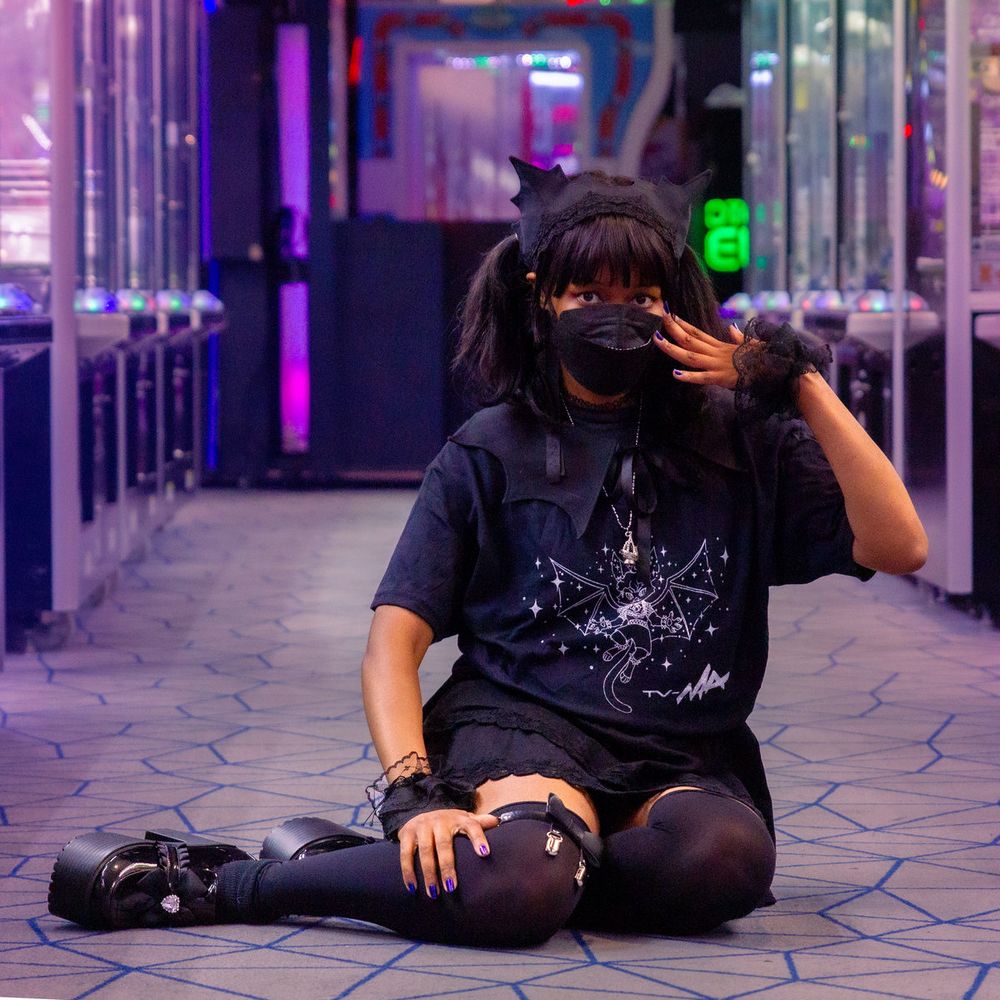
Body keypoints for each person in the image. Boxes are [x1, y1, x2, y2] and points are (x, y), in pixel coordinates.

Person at [48, 159, 927, 947]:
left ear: (675, 303)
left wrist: (797, 380)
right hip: (523, 726)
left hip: (681, 749)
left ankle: (460, 869)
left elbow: (899, 542)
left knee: (725, 865)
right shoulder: (490, 447)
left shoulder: (738, 441)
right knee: (525, 882)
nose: (617, 315)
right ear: (543, 298)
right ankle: (238, 880)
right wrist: (411, 792)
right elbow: (393, 645)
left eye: (643, 295)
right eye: (588, 295)